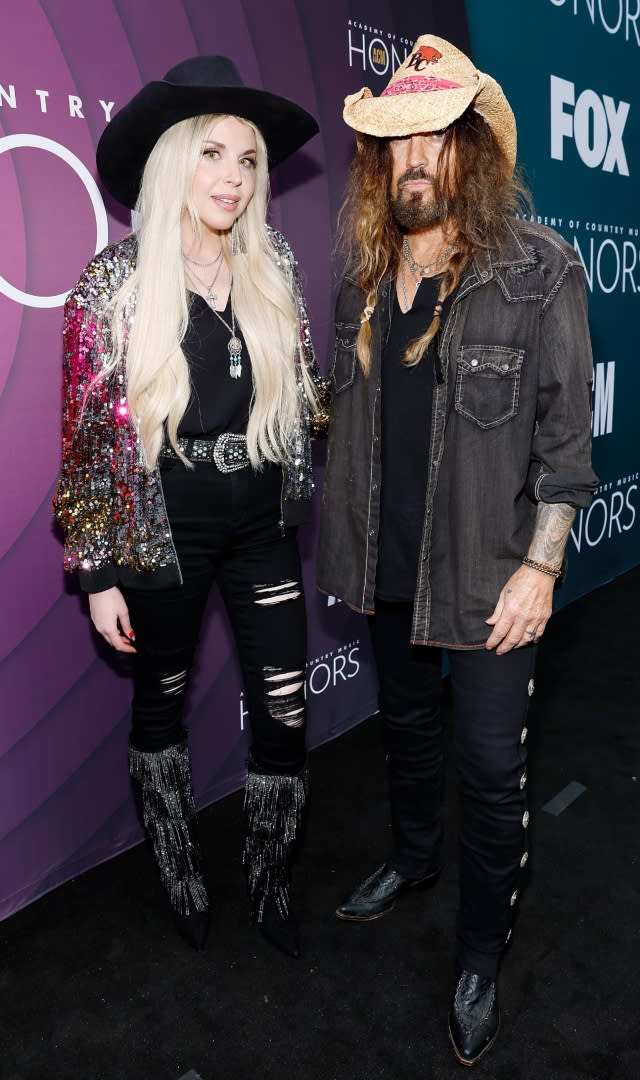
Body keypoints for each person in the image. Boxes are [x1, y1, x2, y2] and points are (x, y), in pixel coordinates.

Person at [317, 35, 597, 1064]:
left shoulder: (537, 271)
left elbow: (568, 448)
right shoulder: (358, 283)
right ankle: (413, 860)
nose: (415, 158)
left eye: (435, 136)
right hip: (386, 572)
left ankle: (480, 952)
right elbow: (343, 431)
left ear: (471, 152)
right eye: (395, 141)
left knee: (488, 770)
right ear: (377, 163)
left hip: (490, 577)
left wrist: (541, 565)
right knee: (406, 733)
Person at [54, 55, 329, 959]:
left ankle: (270, 878)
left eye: (249, 162)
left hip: (259, 523)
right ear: (176, 162)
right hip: (160, 533)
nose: (234, 179)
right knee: (160, 709)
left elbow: (308, 400)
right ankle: (179, 870)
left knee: (285, 711)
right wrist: (97, 576)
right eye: (214, 154)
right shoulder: (113, 283)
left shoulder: (274, 264)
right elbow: (90, 442)